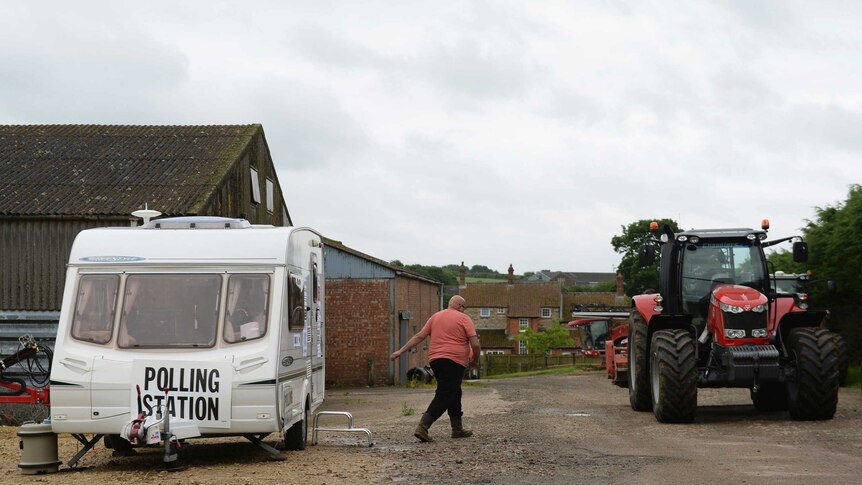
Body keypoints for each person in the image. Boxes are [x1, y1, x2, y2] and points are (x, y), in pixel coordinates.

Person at [390, 295, 481, 442]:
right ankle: (423, 427)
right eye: (464, 307)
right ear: (459, 306)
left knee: (454, 391)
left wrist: (400, 351)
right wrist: (475, 361)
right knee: (445, 394)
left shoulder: (435, 317)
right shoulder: (464, 319)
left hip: (436, 360)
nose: (464, 310)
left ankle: (457, 429)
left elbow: (419, 336)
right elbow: (475, 344)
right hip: (454, 361)